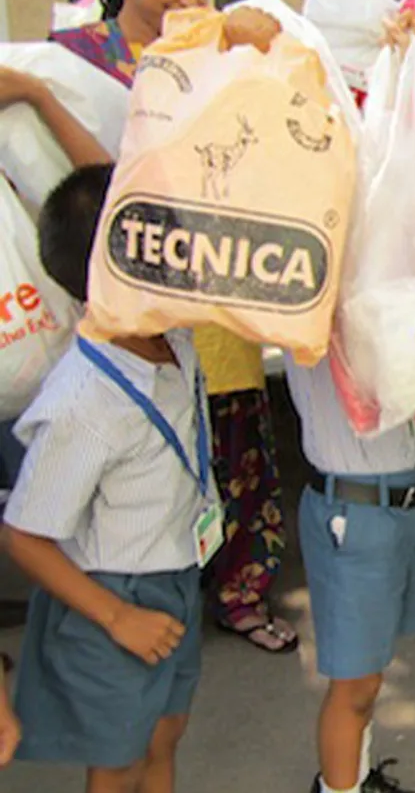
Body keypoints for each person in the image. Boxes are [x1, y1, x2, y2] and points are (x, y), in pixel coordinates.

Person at [33, 0, 296, 653]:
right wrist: (43, 100)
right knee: (141, 447)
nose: (190, 0)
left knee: (236, 439)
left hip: (215, 276)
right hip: (125, 283)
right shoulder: (75, 61)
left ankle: (240, 592)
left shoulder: (218, 50)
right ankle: (136, 598)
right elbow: (99, 180)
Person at [1, 164, 215, 792]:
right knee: (118, 760)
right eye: (161, 252)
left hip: (175, 573)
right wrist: (118, 618)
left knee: (163, 735)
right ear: (116, 276)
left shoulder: (171, 337)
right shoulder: (83, 401)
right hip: (111, 597)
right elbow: (25, 537)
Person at [286, 353, 415, 793]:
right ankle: (339, 787)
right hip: (355, 507)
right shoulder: (316, 296)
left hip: (409, 497)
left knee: (371, 666)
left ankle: (356, 777)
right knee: (354, 681)